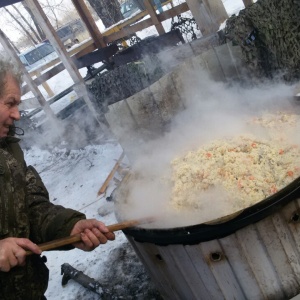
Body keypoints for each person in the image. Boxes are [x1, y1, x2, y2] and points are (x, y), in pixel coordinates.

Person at [0, 58, 115, 299]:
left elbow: (30, 207)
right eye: (10, 103)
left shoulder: (7, 148)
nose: (17, 115)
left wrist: (69, 227)